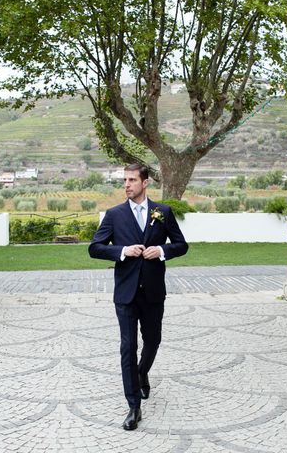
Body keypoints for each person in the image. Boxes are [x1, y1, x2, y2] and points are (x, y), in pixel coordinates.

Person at [88, 164, 188, 430]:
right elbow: (94, 248)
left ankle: (142, 372)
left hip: (154, 291)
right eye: (125, 180)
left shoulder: (163, 212)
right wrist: (122, 251)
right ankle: (134, 406)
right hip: (126, 293)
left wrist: (162, 250)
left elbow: (182, 245)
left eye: (132, 180)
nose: (126, 184)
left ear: (145, 183)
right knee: (127, 347)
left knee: (153, 340)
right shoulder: (114, 215)